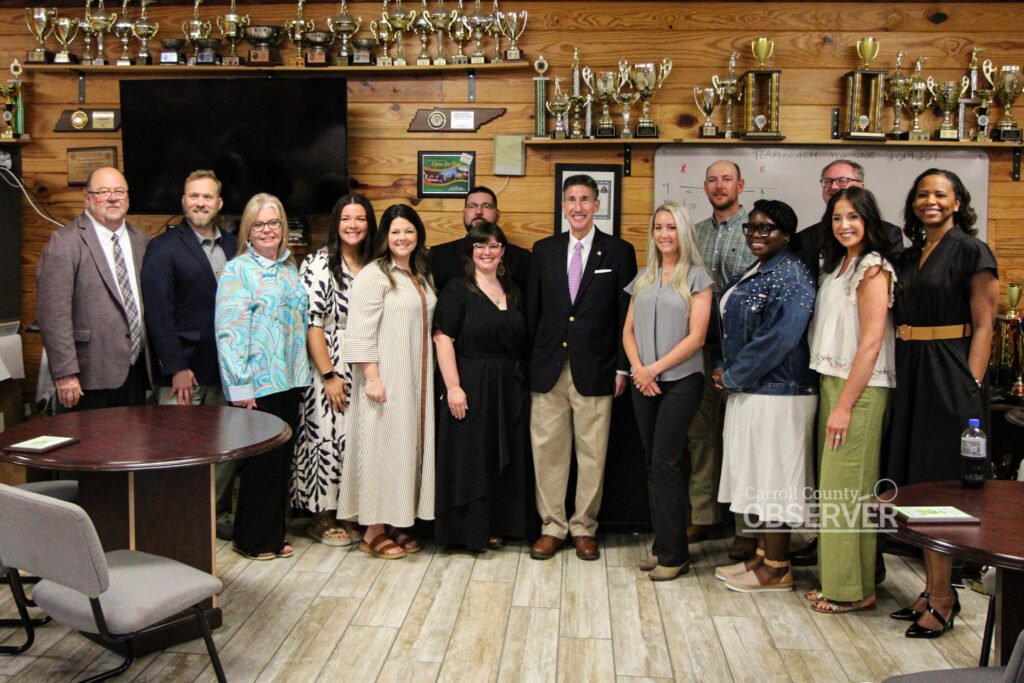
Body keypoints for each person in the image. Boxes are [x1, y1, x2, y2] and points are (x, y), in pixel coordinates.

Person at [887, 169, 998, 638]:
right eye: (922, 194)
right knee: (915, 484)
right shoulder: (910, 256)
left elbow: (986, 323)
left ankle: (944, 597)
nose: (929, 201)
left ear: (956, 203)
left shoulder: (972, 251)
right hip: (910, 371)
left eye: (940, 194)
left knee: (941, 493)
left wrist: (970, 384)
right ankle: (929, 590)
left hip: (949, 373)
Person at [790, 159, 902, 570]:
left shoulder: (873, 267)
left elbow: (872, 342)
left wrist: (844, 407)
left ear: (868, 219)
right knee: (834, 488)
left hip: (860, 388)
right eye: (837, 218)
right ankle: (841, 580)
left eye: (853, 216)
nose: (844, 225)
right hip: (832, 380)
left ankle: (850, 589)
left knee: (847, 488)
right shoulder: (838, 266)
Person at [526, 174, 637, 561]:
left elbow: (626, 316)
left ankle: (584, 527)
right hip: (548, 369)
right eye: (571, 199)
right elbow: (534, 313)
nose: (577, 206)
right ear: (563, 204)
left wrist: (623, 368)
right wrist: (530, 364)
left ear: (596, 205)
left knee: (593, 454)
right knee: (548, 452)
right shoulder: (544, 250)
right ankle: (551, 527)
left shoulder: (620, 252)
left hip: (597, 369)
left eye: (585, 199)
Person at [712, 199, 817, 593]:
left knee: (774, 482)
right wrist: (725, 369)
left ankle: (778, 568)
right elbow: (731, 329)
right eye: (751, 228)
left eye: (766, 229)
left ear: (786, 234)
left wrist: (734, 374)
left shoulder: (791, 275)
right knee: (757, 479)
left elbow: (780, 338)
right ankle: (762, 555)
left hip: (780, 393)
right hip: (751, 389)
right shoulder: (757, 269)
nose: (756, 235)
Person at [141, 169, 238, 540]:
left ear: (219, 204)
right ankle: (177, 520)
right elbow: (158, 313)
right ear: (183, 201)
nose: (200, 203)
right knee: (179, 449)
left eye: (208, 197)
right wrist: (175, 367)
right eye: (194, 196)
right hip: (185, 371)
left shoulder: (233, 246)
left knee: (226, 445)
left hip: (225, 369)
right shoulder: (163, 247)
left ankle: (211, 516)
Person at [339, 204, 437, 560]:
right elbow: (359, 332)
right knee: (380, 449)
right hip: (385, 378)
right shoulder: (374, 275)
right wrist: (372, 377)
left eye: (409, 231)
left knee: (404, 449)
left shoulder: (419, 273)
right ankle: (373, 529)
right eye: (395, 232)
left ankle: (397, 519)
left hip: (415, 379)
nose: (402, 238)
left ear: (418, 235)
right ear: (385, 236)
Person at [216, 193, 310, 561]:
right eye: (259, 224)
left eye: (273, 223)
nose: (267, 230)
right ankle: (251, 539)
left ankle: (273, 535)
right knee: (260, 466)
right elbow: (230, 332)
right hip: (257, 385)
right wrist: (240, 387)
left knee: (281, 463)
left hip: (290, 379)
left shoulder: (289, 268)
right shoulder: (238, 270)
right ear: (248, 231)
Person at [622, 202, 713, 581]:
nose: (664, 234)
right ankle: (662, 548)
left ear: (684, 232)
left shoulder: (698, 278)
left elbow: (697, 338)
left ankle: (675, 555)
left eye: (671, 227)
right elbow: (627, 330)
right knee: (652, 464)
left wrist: (653, 370)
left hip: (680, 382)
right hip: (643, 381)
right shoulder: (644, 276)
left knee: (667, 463)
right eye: (659, 227)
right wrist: (639, 371)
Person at [432, 221, 535, 552]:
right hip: (471, 384)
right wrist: (453, 387)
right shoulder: (457, 290)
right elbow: (442, 337)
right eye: (480, 246)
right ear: (470, 251)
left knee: (503, 458)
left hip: (509, 387)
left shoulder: (514, 291)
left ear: (503, 251)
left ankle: (500, 526)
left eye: (493, 245)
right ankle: (470, 531)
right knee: (473, 459)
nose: (487, 252)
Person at [293, 194, 377, 547]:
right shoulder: (318, 263)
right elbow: (312, 325)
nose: (353, 225)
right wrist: (328, 375)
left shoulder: (376, 262)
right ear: (335, 223)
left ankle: (351, 510)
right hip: (329, 360)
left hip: (368, 361)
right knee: (327, 436)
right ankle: (321, 516)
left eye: (360, 218)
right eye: (346, 218)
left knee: (357, 438)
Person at [37, 166, 151, 412]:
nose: (113, 197)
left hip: (135, 372)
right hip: (87, 377)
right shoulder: (65, 242)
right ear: (87, 198)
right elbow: (53, 314)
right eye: (103, 191)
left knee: (134, 448)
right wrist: (65, 373)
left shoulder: (140, 240)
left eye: (120, 191)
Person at [688, 159, 754, 559]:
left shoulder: (755, 232)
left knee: (742, 440)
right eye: (712, 179)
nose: (719, 185)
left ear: (740, 185)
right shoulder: (694, 234)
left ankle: (746, 526)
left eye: (726, 179)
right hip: (700, 347)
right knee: (701, 437)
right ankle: (703, 514)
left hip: (744, 352)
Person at [792, 159, 904, 280]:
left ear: (861, 186)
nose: (834, 186)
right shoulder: (804, 238)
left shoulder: (888, 233)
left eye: (842, 181)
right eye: (828, 181)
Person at [429, 185, 531, 295]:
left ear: (497, 215)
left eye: (486, 206)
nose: (478, 212)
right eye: (472, 206)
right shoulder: (438, 255)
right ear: (464, 213)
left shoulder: (523, 259)